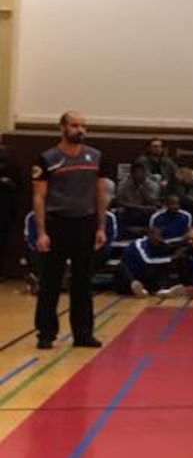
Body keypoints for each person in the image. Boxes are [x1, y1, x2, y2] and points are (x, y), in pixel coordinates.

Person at [31, 112, 107, 351]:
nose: (80, 130)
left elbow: (100, 194)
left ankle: (83, 333)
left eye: (84, 125)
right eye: (75, 125)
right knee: (50, 281)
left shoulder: (95, 156)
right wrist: (42, 232)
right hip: (56, 224)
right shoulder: (47, 158)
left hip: (84, 223)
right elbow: (39, 196)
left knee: (83, 281)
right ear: (62, 128)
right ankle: (46, 333)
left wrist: (101, 226)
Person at [118, 227, 176, 298]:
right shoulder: (139, 243)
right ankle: (137, 286)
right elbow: (147, 260)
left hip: (145, 275)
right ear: (149, 235)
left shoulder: (159, 245)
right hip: (130, 275)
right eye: (157, 236)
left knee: (163, 265)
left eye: (161, 237)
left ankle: (161, 290)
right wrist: (172, 258)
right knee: (122, 267)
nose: (159, 239)